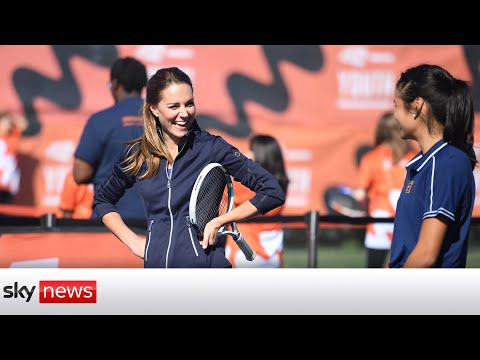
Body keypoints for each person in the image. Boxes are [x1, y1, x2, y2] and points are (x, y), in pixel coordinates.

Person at [92, 67, 286, 268]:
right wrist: (133, 242)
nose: (184, 113)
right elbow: (102, 200)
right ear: (154, 109)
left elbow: (272, 191)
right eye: (174, 106)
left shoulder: (212, 148)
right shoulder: (139, 153)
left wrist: (220, 221)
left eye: (189, 104)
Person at [389, 64, 476, 268]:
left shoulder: (447, 162)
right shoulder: (425, 163)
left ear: (417, 106)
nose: (394, 115)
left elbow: (426, 255)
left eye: (396, 105)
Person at [73, 56, 148, 222]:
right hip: (155, 224)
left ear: (114, 84)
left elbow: (80, 174)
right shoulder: (163, 119)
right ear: (143, 85)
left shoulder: (100, 120)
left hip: (110, 222)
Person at [353, 112, 416, 268]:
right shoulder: (413, 157)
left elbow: (360, 193)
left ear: (380, 131)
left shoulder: (371, 157)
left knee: (374, 271)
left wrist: (359, 203)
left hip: (379, 221)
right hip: (408, 221)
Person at [225, 135, 289, 267]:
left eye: (251, 150)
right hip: (274, 250)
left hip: (244, 249)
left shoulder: (244, 186)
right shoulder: (281, 184)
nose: (247, 153)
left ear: (260, 155)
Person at [0, 111, 27, 203]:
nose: (7, 126)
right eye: (4, 123)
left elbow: (23, 124)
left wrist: (11, 118)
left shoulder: (12, 136)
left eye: (8, 124)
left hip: (8, 181)